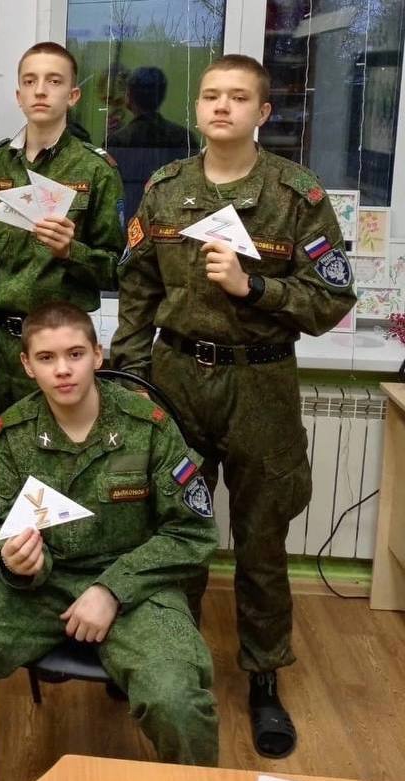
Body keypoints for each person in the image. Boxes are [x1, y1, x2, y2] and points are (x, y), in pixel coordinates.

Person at [110, 54, 357, 759]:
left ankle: (264, 675)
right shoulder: (166, 189)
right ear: (197, 108)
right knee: (174, 524)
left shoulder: (296, 195)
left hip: (260, 385)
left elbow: (332, 299)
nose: (222, 106)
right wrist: (128, 379)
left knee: (261, 537)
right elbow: (138, 291)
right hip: (176, 378)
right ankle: (169, 655)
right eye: (211, 95)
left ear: (262, 112)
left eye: (238, 97)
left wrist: (256, 289)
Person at [0, 302, 219, 781]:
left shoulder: (150, 426)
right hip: (40, 586)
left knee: (176, 697)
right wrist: (15, 560)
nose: (62, 369)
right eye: (46, 357)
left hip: (136, 589)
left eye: (75, 354)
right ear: (26, 364)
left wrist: (112, 589)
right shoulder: (13, 432)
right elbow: (0, 529)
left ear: (97, 355)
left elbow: (192, 533)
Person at [0, 41, 125, 436]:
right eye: (30, 81)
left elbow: (118, 270)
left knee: (65, 454)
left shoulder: (96, 170)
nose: (40, 90)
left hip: (61, 350)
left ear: (72, 96)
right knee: (3, 451)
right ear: (18, 95)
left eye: (54, 81)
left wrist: (72, 251)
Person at [107, 66, 200, 221]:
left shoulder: (118, 140)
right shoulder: (184, 137)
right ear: (161, 96)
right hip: (175, 218)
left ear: (129, 96)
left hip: (129, 218)